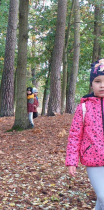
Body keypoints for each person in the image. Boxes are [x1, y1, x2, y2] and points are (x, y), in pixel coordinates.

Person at [65, 58, 104, 210]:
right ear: (91, 83)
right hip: (92, 158)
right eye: (97, 81)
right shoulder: (84, 107)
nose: (102, 85)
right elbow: (75, 135)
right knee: (102, 196)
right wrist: (71, 161)